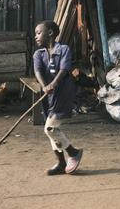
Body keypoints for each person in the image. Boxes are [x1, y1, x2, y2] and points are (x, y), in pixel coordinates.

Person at [33, 20, 84, 175]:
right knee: (52, 129)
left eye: (38, 32)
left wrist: (54, 83)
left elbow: (64, 69)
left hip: (63, 91)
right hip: (48, 94)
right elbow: (38, 71)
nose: (36, 36)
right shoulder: (38, 54)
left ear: (50, 33)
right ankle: (61, 163)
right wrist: (44, 86)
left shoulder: (63, 49)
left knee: (50, 128)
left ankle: (73, 152)